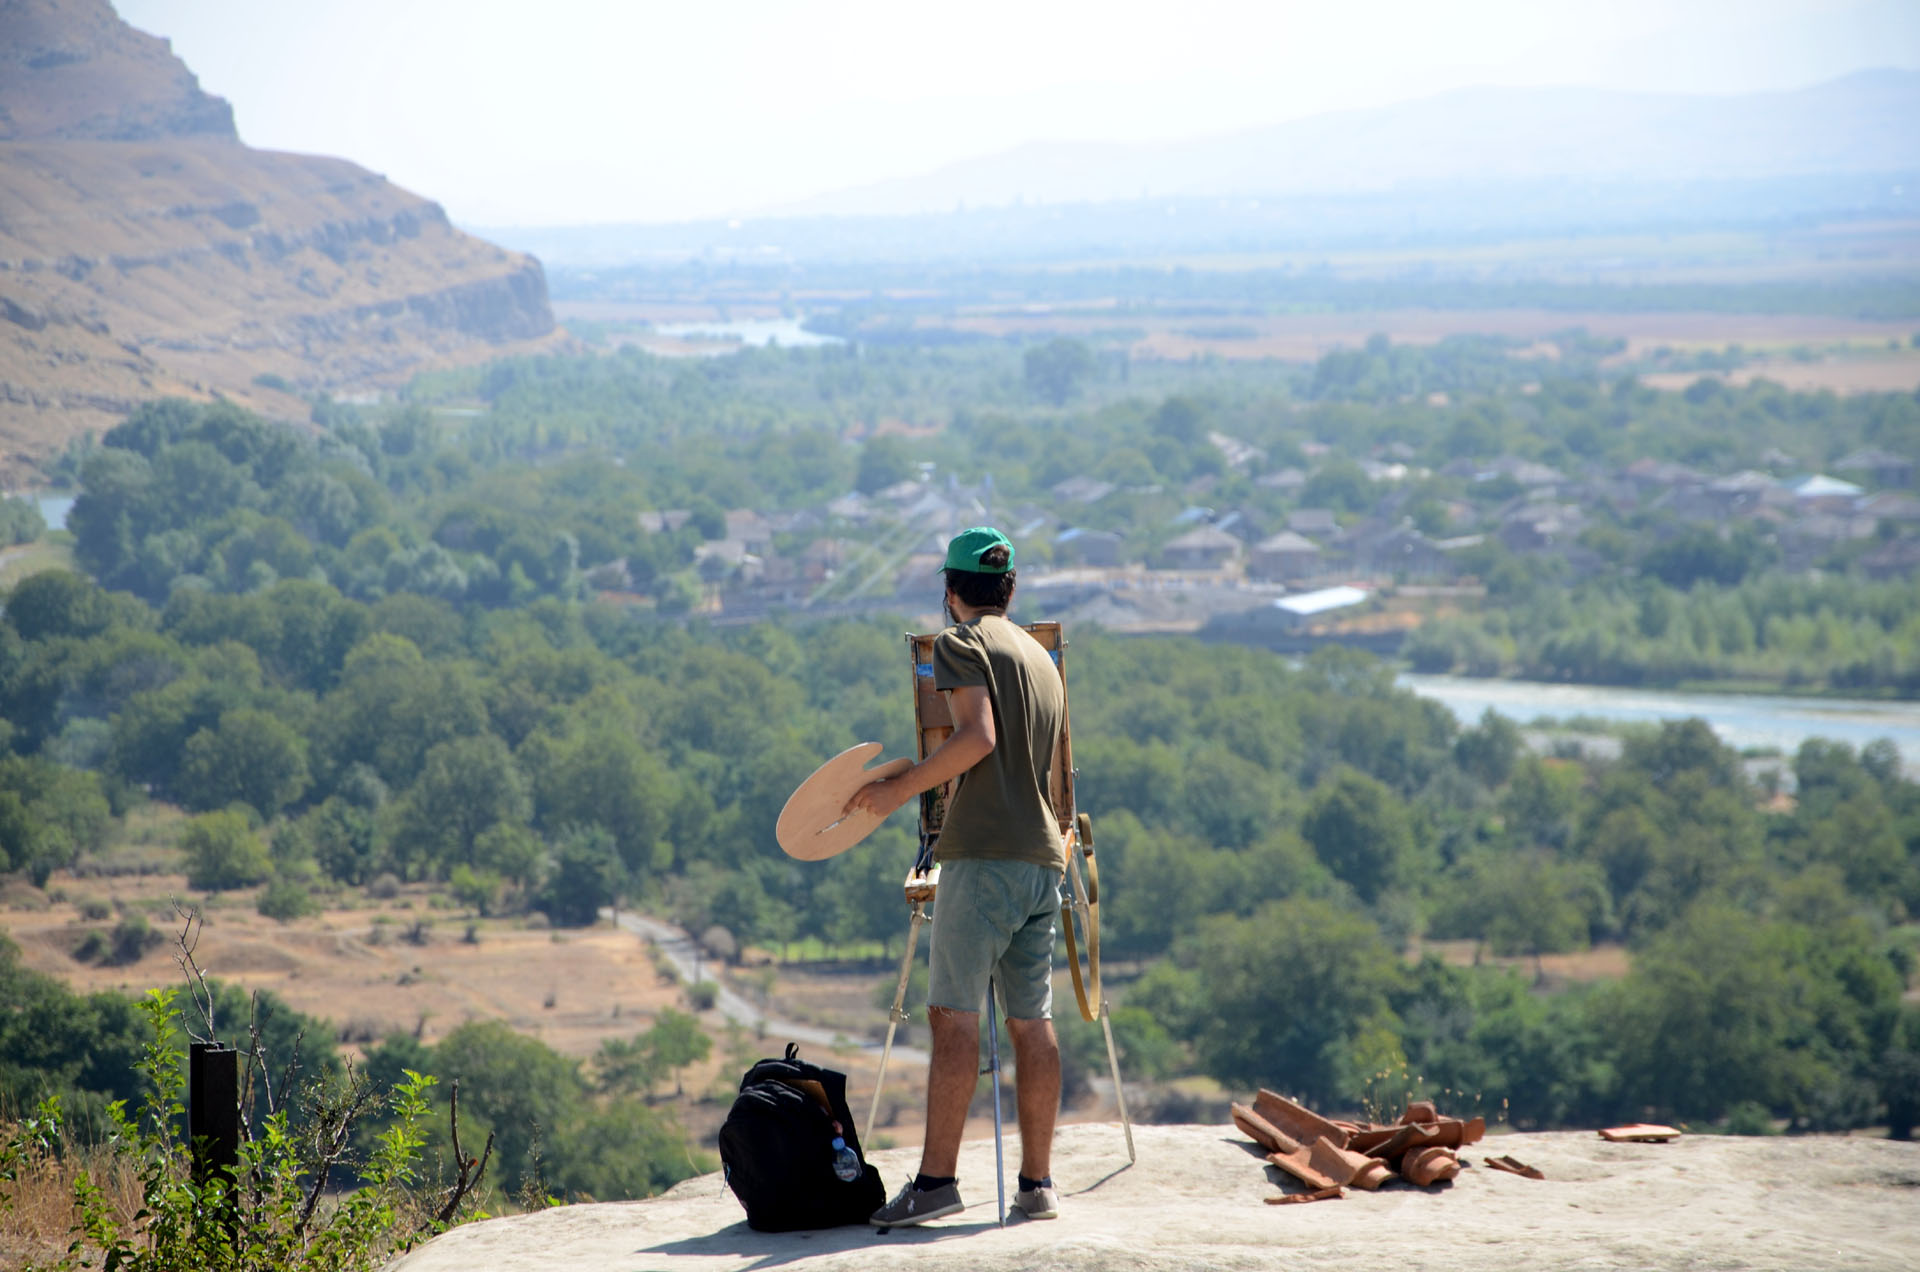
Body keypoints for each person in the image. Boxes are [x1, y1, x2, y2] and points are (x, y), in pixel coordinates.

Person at [843, 526, 1068, 1227]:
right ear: (1010, 587)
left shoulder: (959, 645)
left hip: (985, 859)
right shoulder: (1040, 656)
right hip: (1042, 860)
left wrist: (897, 790)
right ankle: (1037, 1186)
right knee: (1033, 1023)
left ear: (950, 591)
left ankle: (937, 1182)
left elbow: (977, 738)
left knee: (952, 1017)